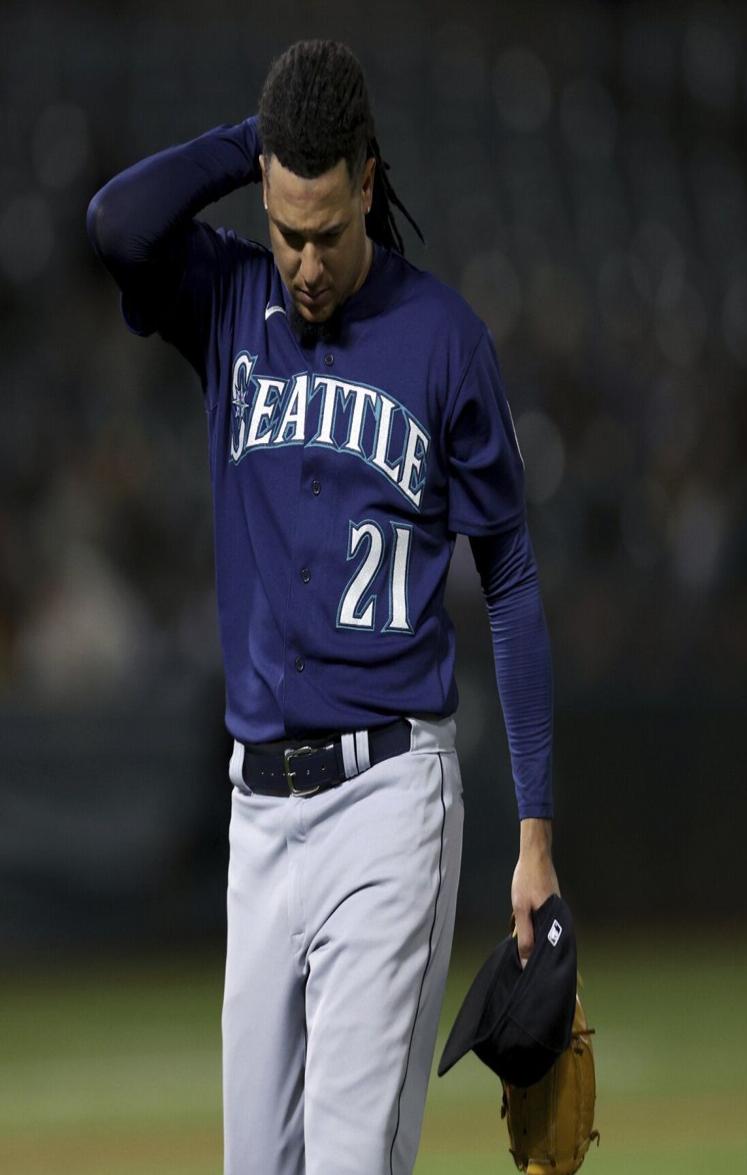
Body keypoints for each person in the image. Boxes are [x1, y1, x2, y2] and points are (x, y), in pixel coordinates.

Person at [86, 39, 559, 1175]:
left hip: (389, 799)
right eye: (286, 231)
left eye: (327, 231)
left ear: (367, 181)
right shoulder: (225, 296)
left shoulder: (442, 340)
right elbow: (113, 220)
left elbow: (511, 579)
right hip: (258, 809)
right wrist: (253, 143)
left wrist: (534, 831)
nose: (302, 262)